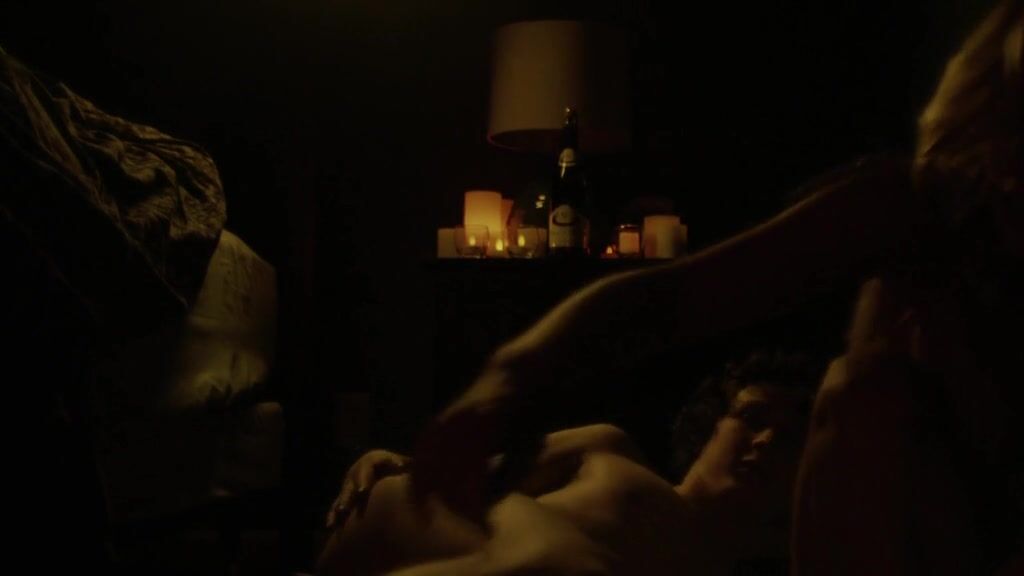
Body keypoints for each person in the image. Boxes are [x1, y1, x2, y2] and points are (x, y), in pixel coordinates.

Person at [410, 1, 1023, 574]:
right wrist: (511, 375)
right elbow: (674, 300)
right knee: (866, 386)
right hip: (916, 513)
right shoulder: (927, 213)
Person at [317, 350, 825, 576]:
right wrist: (394, 461)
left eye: (788, 440)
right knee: (564, 561)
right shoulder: (611, 450)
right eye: (752, 418)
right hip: (402, 527)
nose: (764, 441)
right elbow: (466, 482)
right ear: (712, 423)